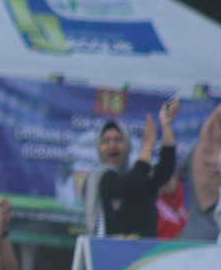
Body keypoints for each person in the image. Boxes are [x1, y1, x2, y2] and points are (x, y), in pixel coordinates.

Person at [83, 99, 179, 238]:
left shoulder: (137, 173)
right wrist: (147, 145)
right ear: (99, 148)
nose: (112, 146)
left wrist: (166, 126)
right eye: (106, 141)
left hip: (145, 253)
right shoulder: (99, 176)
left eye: (118, 140)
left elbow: (164, 171)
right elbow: (130, 186)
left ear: (127, 145)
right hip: (109, 251)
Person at [181, 103, 221, 242]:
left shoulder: (196, 152)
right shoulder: (196, 152)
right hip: (206, 240)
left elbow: (170, 182)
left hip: (193, 236)